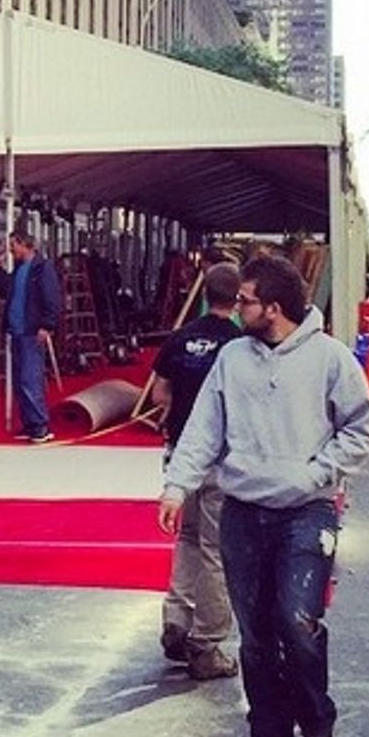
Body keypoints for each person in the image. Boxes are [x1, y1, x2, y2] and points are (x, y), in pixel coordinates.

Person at [158, 254, 369, 737]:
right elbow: (205, 428)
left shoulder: (330, 359)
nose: (238, 308)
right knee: (255, 637)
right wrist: (177, 485)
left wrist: (314, 474)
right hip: (243, 513)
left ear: (273, 308)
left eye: (248, 300)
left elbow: (361, 429)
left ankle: (318, 727)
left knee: (296, 623)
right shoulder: (232, 359)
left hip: (307, 512)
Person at [152, 261, 243, 682]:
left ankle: (176, 618)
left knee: (186, 538)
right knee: (215, 550)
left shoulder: (179, 338)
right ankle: (207, 643)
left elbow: (159, 391)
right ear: (239, 297)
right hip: (221, 460)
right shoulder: (241, 346)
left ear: (204, 293)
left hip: (179, 455)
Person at [0, 229, 62, 444]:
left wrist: (47, 324)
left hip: (31, 330)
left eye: (13, 244)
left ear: (25, 245)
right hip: (19, 330)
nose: (10, 249)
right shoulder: (21, 270)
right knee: (20, 379)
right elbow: (9, 291)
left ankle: (40, 424)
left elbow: (51, 297)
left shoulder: (42, 269)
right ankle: (30, 422)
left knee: (29, 378)